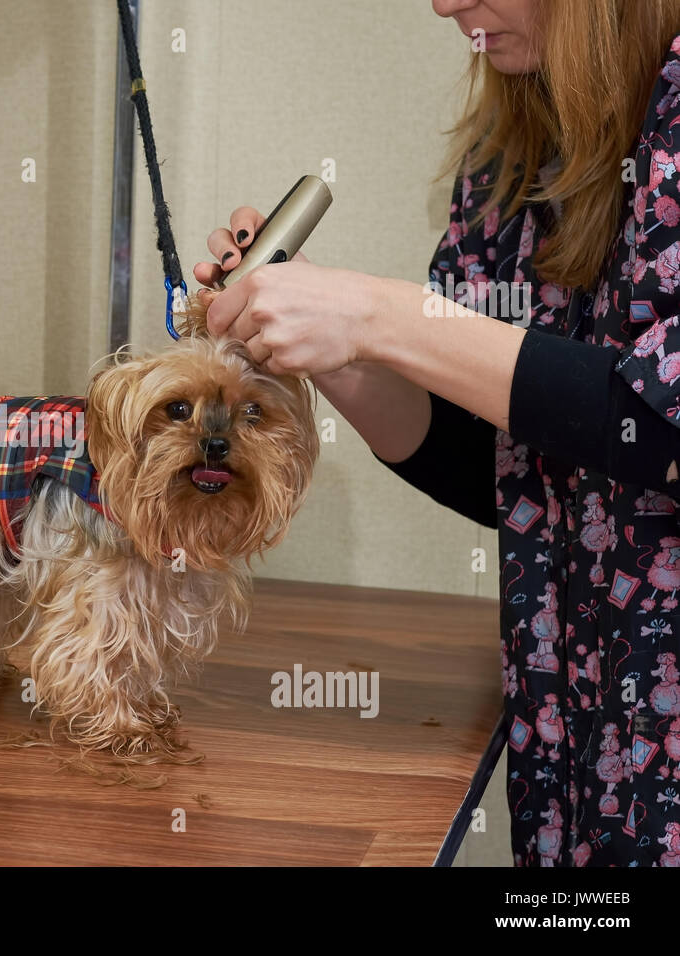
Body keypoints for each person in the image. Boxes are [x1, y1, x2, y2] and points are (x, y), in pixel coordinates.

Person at [194, 0, 680, 866]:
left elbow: (656, 421)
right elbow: (507, 465)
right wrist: (337, 354)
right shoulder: (521, 138)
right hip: (575, 741)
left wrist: (379, 316)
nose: (444, 1)